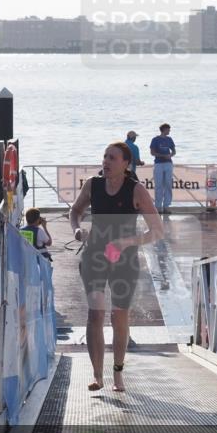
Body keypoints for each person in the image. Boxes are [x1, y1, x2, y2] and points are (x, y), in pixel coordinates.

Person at [70, 142, 164, 392]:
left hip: (124, 260)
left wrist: (127, 242)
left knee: (119, 315)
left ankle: (118, 372)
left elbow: (157, 231)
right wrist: (78, 229)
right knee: (95, 313)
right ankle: (97, 375)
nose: (106, 162)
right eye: (104, 157)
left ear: (126, 164)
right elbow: (76, 210)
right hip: (94, 256)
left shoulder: (137, 190)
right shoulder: (93, 184)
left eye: (112, 158)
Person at [149, 123, 176, 213]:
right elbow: (152, 152)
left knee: (168, 184)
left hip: (168, 163)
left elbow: (174, 151)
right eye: (168, 129)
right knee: (158, 185)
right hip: (158, 164)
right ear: (164, 129)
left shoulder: (169, 139)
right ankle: (157, 207)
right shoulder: (155, 139)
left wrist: (170, 155)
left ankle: (166, 206)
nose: (169, 131)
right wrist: (163, 156)